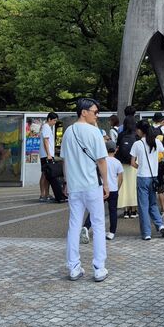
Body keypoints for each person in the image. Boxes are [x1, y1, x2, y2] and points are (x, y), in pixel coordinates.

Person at [63, 98, 110, 282]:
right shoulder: (94, 132)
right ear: (84, 112)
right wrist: (106, 183)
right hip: (92, 185)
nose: (96, 115)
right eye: (95, 111)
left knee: (74, 225)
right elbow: (101, 160)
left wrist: (66, 183)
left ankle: (73, 266)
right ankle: (99, 267)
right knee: (98, 225)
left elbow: (66, 160)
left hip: (74, 186)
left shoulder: (68, 132)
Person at [131, 120, 164, 240]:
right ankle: (161, 226)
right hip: (154, 177)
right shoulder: (156, 142)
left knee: (143, 206)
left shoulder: (137, 144)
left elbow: (132, 163)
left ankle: (147, 233)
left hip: (142, 177)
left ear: (140, 131)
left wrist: (140, 167)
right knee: (153, 204)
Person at [85, 139, 124, 240]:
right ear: (116, 149)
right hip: (114, 189)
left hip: (101, 188)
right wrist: (117, 188)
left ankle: (86, 227)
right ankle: (112, 232)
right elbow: (120, 178)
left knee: (95, 208)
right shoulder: (118, 162)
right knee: (113, 211)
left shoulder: (101, 161)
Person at [116, 116, 139, 218]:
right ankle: (133, 210)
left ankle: (125, 211)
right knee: (133, 186)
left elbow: (118, 148)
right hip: (134, 163)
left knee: (124, 187)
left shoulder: (121, 135)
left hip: (123, 163)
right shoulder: (137, 135)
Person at [39, 112, 64, 202]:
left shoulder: (47, 127)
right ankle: (43, 194)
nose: (55, 122)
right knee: (45, 174)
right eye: (54, 120)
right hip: (46, 155)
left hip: (47, 154)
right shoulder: (46, 127)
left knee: (48, 175)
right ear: (49, 119)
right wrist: (49, 154)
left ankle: (46, 194)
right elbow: (46, 141)